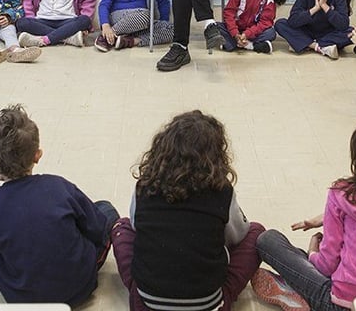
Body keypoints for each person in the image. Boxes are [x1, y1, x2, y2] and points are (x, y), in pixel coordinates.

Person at [251, 116, 356, 310]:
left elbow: (326, 266)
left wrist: (313, 251)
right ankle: (294, 288)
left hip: (340, 304)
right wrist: (326, 217)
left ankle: (295, 291)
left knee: (267, 240)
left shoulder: (340, 194)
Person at [112, 110, 264, 311]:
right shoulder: (222, 191)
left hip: (147, 304)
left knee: (121, 226)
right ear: (217, 155)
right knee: (256, 232)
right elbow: (237, 235)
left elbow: (135, 225)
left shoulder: (144, 186)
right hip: (209, 305)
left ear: (162, 149)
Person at [0, 105, 119, 305]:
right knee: (106, 209)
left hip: (21, 298)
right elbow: (95, 227)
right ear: (38, 154)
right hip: (79, 287)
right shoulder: (58, 186)